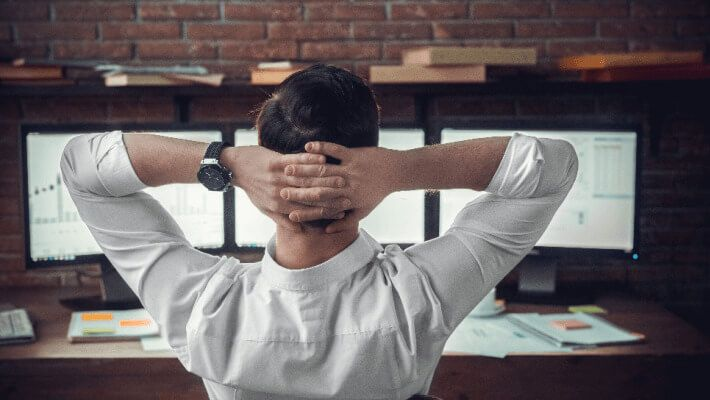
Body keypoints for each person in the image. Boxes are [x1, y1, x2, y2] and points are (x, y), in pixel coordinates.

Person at [60, 64, 578, 399]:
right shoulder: (420, 298)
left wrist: (225, 161)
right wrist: (398, 171)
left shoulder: (202, 308)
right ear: (370, 150)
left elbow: (82, 167)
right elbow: (552, 167)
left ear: (264, 149)